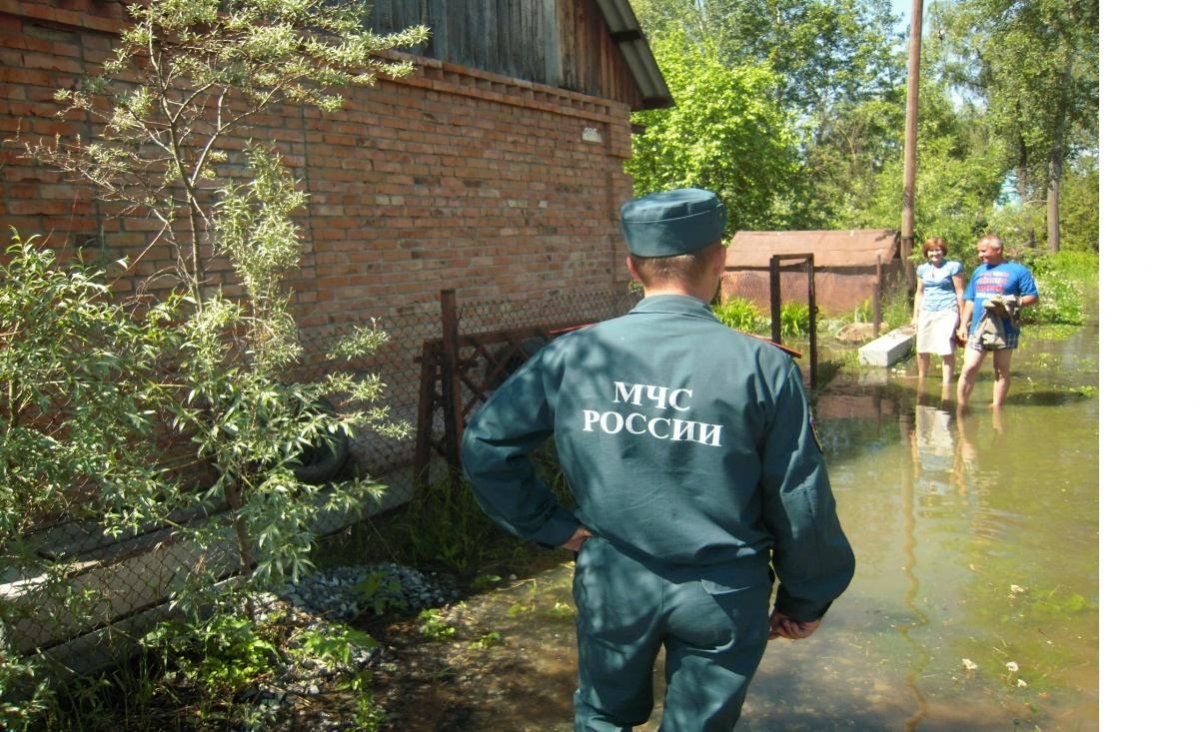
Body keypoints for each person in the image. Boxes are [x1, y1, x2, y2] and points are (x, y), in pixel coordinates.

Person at [460, 188, 856, 732]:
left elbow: (486, 445)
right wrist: (806, 598)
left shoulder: (577, 354)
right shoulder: (763, 367)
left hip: (615, 578)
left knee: (602, 718)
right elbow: (799, 498)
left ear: (632, 267)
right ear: (719, 259)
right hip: (723, 593)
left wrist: (552, 527)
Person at [956, 234, 1039, 408]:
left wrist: (1014, 301)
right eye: (979, 251)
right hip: (977, 327)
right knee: (969, 368)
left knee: (1001, 370)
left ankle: (996, 409)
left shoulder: (1018, 271)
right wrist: (963, 325)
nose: (980, 255)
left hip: (1006, 327)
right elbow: (970, 299)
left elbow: (1033, 297)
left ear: (998, 250)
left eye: (983, 251)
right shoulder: (979, 271)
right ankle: (961, 408)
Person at [911, 237, 965, 387]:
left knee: (945, 346)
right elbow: (919, 293)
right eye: (931, 250)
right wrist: (915, 316)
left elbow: (960, 291)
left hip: (947, 310)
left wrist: (962, 318)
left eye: (937, 250)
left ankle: (946, 383)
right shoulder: (922, 269)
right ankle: (922, 378)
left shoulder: (953, 267)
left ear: (943, 251)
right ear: (926, 252)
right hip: (927, 310)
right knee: (922, 346)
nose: (934, 253)